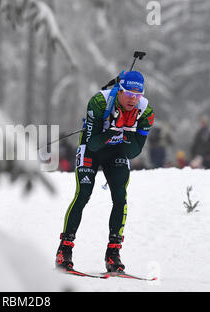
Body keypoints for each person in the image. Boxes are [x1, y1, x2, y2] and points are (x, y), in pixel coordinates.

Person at [55, 71, 154, 273]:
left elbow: (134, 151)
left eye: (138, 95)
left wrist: (125, 131)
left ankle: (113, 254)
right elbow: (92, 144)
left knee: (120, 197)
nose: (133, 100)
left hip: (116, 152)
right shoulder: (100, 102)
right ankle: (64, 250)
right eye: (129, 94)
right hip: (92, 150)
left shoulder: (146, 112)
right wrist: (112, 130)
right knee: (83, 194)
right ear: (119, 91)